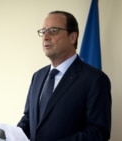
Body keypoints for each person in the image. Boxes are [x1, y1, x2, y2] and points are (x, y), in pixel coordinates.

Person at [17, 10, 111, 141]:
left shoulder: (95, 80)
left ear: (72, 37)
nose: (46, 37)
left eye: (53, 31)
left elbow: (98, 133)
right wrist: (10, 136)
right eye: (43, 31)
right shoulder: (37, 76)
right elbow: (29, 118)